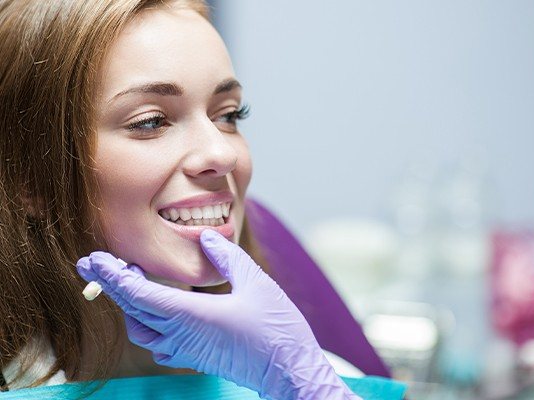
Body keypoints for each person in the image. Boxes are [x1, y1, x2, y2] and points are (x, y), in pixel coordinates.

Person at [0, 0, 361, 398]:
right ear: (29, 182)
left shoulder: (316, 378)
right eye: (151, 122)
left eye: (228, 115)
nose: (223, 155)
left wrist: (305, 383)